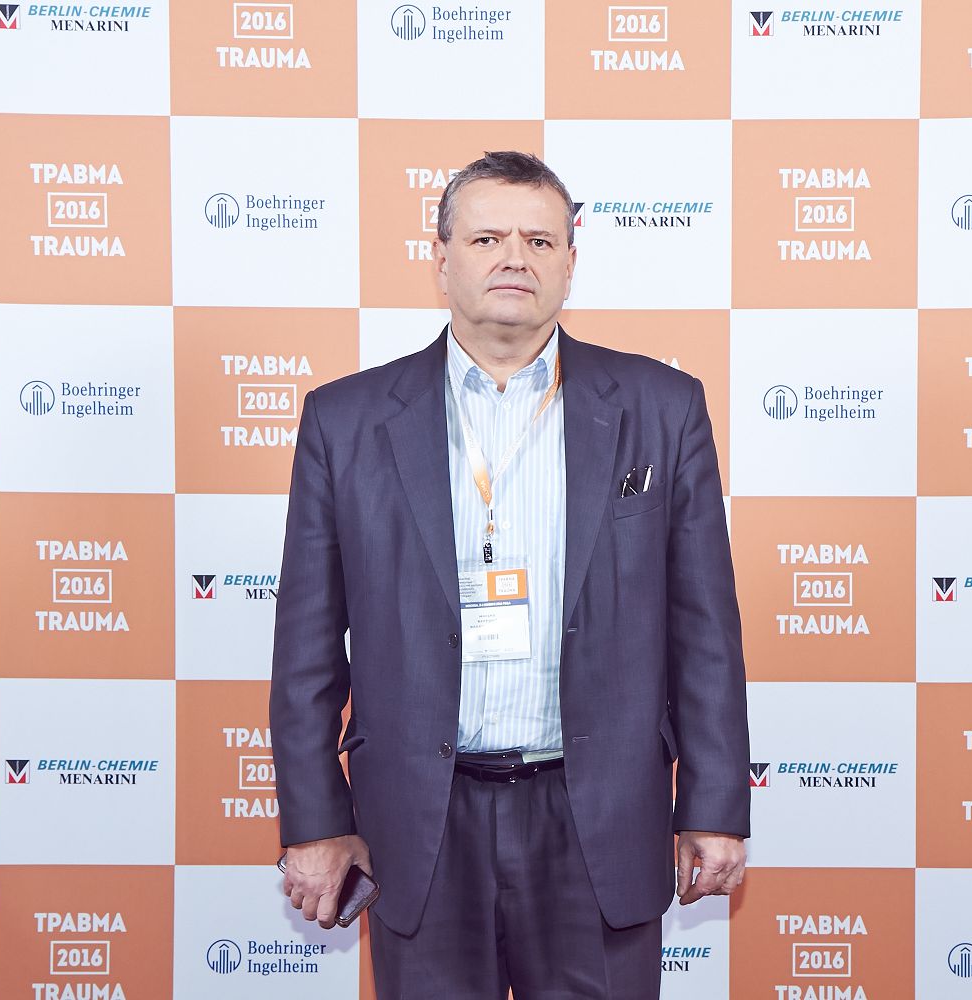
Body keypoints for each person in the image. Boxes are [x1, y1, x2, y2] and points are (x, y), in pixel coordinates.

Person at [270, 150, 749, 999]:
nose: (514, 259)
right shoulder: (344, 421)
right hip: (420, 824)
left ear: (570, 262)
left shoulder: (662, 408)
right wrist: (316, 823)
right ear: (441, 258)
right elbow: (306, 650)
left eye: (539, 240)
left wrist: (712, 805)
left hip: (598, 816)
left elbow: (703, 627)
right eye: (487, 238)